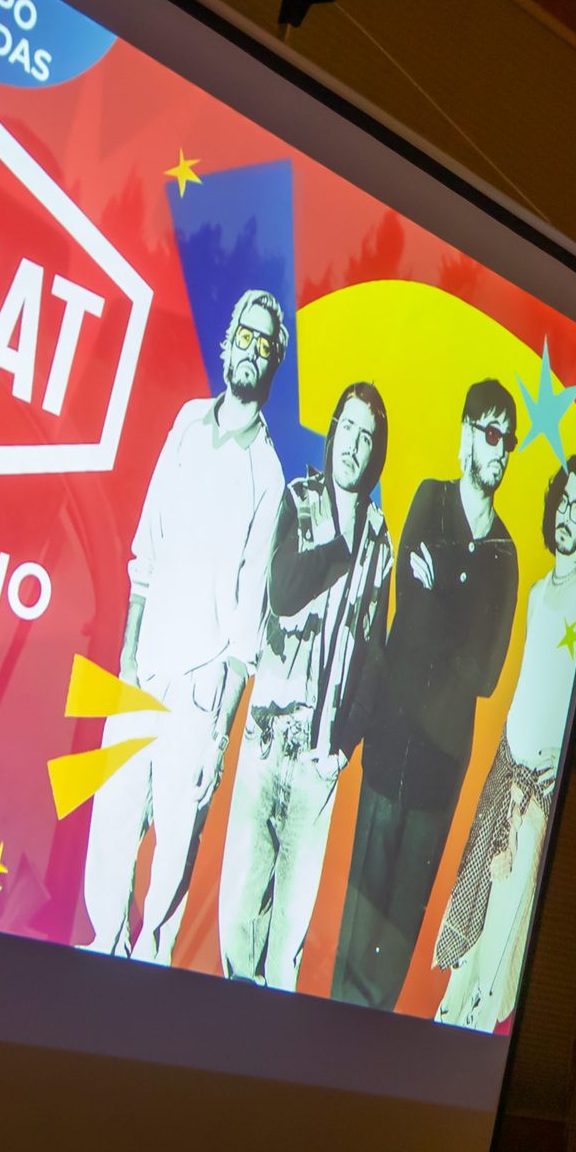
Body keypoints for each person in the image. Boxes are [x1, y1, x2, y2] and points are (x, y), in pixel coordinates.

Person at [79, 289, 288, 965]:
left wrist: (218, 733)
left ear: (273, 363)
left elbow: (249, 621)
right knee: (112, 821)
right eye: (244, 336)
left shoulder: (269, 474)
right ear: (227, 342)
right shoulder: (187, 423)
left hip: (200, 692)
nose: (250, 350)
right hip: (143, 666)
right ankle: (98, 950)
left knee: (173, 845)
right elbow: (147, 546)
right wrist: (127, 657)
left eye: (264, 344)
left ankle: (147, 973)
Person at [331, 379, 521, 1010]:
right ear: (467, 435)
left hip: (441, 774)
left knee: (396, 938)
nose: (500, 450)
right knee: (358, 924)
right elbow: (407, 615)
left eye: (508, 441)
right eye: (490, 434)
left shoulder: (505, 555)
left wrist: (440, 592)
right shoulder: (429, 499)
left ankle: (366, 1053)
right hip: (389, 748)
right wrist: (450, 615)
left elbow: (486, 674)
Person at [218, 382, 393, 991]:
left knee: (287, 939)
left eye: (367, 436)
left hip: (320, 759)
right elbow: (284, 594)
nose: (354, 444)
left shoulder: (380, 538)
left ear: (375, 451)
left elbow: (376, 655)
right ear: (333, 430)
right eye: (348, 428)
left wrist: (343, 746)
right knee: (239, 917)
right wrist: (335, 548)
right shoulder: (301, 498)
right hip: (268, 739)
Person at [433, 454, 576, 1031]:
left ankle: (475, 1045)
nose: (569, 516)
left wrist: (564, 761)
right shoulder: (534, 591)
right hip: (504, 778)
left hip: (537, 800)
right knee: (474, 924)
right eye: (565, 502)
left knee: (504, 935)